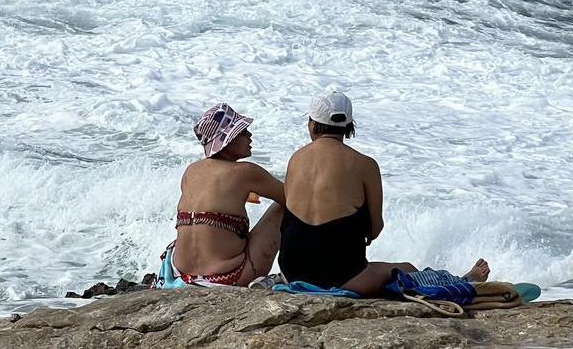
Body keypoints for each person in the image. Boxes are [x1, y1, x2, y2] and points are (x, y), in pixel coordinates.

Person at [279, 91, 490, 296]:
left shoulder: (295, 159)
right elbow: (375, 228)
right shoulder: (365, 165)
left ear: (312, 124)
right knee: (406, 269)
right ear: (348, 127)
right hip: (345, 278)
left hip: (292, 273)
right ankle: (464, 281)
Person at [170, 104, 286, 286]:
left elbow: (216, 197)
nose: (250, 135)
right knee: (285, 207)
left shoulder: (191, 171)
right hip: (228, 278)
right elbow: (294, 198)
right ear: (227, 141)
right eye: (243, 132)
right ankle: (301, 270)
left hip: (181, 275)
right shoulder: (246, 172)